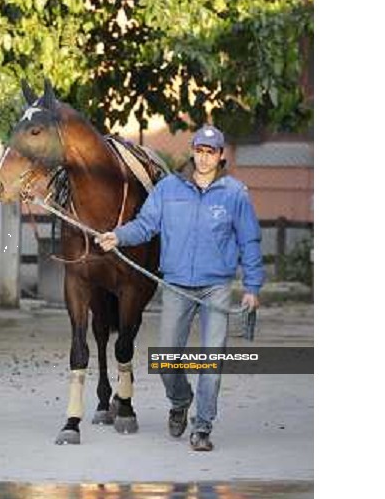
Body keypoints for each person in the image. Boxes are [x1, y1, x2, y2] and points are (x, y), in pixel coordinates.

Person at [96, 125, 265, 451]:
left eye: (210, 152)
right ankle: (180, 399)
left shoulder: (235, 194)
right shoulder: (169, 189)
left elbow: (249, 241)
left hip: (216, 286)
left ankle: (202, 427)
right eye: (199, 151)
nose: (204, 158)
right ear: (193, 151)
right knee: (167, 359)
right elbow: (146, 225)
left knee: (211, 362)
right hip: (175, 284)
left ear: (220, 156)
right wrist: (117, 236)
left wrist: (252, 287)